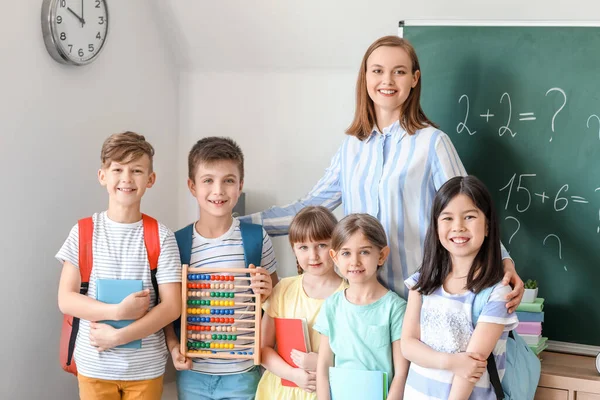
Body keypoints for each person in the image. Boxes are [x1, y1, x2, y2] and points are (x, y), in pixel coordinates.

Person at [241, 35, 524, 308]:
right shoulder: (351, 147)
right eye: (377, 71)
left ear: (414, 79)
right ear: (365, 77)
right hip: (362, 299)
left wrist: (504, 261)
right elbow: (308, 209)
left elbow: (469, 212)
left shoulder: (433, 143)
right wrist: (237, 225)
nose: (387, 81)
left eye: (399, 72)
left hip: (420, 296)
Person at [56, 131, 182, 400]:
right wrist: (116, 312)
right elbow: (66, 299)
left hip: (145, 370)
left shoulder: (161, 236)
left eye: (136, 170)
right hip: (94, 367)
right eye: (118, 169)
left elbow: (172, 306)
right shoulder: (83, 232)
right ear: (103, 176)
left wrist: (119, 337)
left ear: (150, 179)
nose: (126, 178)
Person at [164, 136, 278, 400]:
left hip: (244, 372)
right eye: (208, 180)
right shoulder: (177, 242)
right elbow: (168, 310)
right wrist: (173, 347)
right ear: (192, 186)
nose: (218, 190)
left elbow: (276, 302)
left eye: (228, 180)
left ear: (240, 186)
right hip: (193, 373)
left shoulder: (256, 238)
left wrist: (269, 291)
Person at [401, 175, 519, 399]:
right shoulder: (421, 282)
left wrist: (458, 365)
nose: (458, 227)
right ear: (436, 227)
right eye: (447, 218)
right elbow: (408, 345)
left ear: (487, 227)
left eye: (470, 217)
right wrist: (452, 362)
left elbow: (471, 369)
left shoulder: (497, 292)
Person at [314, 213, 409, 400]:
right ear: (335, 257)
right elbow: (324, 365)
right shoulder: (332, 306)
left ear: (381, 256)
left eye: (364, 252)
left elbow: (401, 373)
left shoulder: (395, 308)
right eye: (346, 253)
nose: (355, 261)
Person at [255, 206, 345, 400]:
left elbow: (359, 358)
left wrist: (323, 363)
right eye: (303, 247)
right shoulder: (283, 289)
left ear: (336, 246)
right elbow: (263, 349)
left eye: (321, 245)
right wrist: (293, 375)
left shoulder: (349, 295)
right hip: (278, 391)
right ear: (294, 250)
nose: (313, 255)